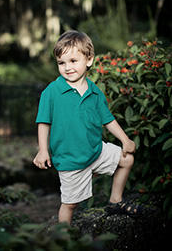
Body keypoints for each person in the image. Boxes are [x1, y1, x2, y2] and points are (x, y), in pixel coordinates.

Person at [33, 30, 141, 224]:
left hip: (96, 151)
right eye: (61, 63)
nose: (67, 67)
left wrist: (125, 139)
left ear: (89, 60)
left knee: (127, 160)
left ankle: (115, 200)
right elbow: (43, 122)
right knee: (70, 204)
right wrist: (42, 150)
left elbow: (108, 120)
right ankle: (62, 238)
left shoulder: (94, 92)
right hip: (71, 160)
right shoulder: (52, 92)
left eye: (73, 61)